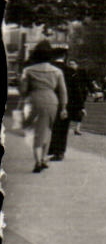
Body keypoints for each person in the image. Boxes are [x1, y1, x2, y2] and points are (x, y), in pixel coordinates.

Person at [18, 44, 69, 173]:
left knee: (37, 131)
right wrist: (63, 107)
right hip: (52, 100)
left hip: (34, 100)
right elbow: (63, 91)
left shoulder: (28, 70)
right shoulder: (57, 71)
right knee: (48, 130)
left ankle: (38, 161)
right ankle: (44, 158)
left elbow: (23, 91)